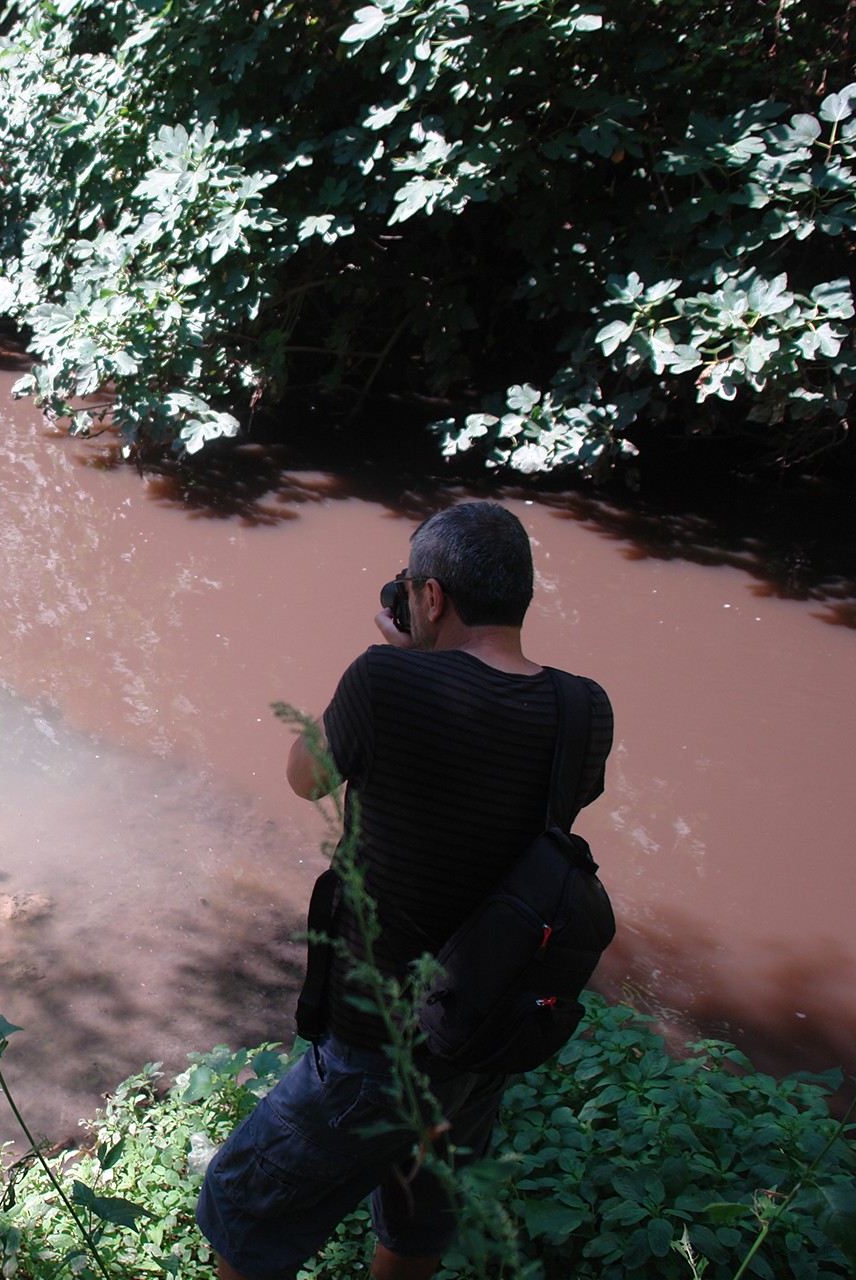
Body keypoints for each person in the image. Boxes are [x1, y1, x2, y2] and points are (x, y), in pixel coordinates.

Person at [195, 500, 614, 1280]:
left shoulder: (384, 680)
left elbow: (305, 776)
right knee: (422, 1210)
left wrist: (391, 661)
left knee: (246, 1210)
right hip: (481, 1024)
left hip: (373, 1034)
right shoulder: (581, 708)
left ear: (430, 598)